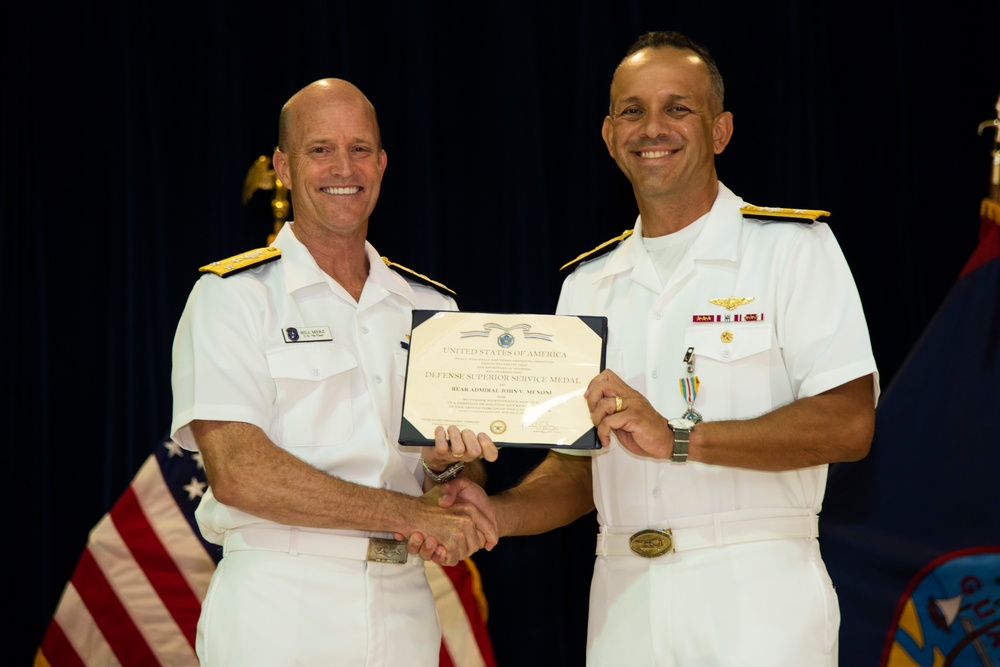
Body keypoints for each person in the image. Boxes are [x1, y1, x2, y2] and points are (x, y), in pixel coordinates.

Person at [423, 30, 880, 666]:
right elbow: (581, 468)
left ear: (720, 130)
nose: (652, 127)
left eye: (677, 108)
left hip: (756, 595)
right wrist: (496, 514)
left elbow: (850, 423)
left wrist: (684, 439)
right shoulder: (587, 284)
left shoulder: (791, 250)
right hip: (624, 602)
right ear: (609, 135)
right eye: (632, 111)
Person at [169, 77, 499, 666]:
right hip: (281, 605)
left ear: (383, 162)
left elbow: (454, 470)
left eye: (360, 148)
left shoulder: (433, 309)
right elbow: (241, 473)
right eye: (320, 149)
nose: (343, 166)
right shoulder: (232, 298)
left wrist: (445, 467)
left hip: (404, 605)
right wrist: (406, 512)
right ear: (284, 167)